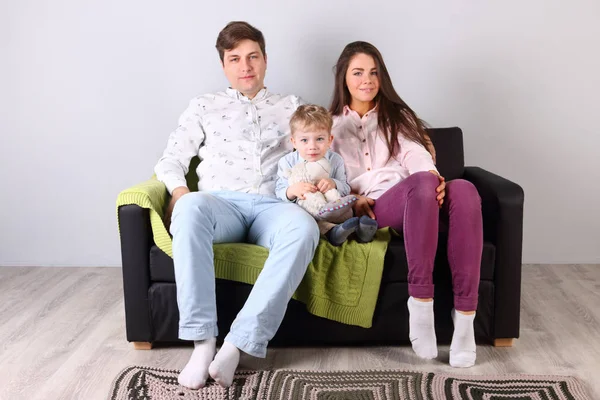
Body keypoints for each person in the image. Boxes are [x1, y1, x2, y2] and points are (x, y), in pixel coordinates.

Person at [154, 21, 320, 389]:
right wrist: (180, 192)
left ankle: (237, 343)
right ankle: (202, 341)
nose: (246, 66)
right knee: (190, 207)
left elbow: (319, 147)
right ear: (224, 65)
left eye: (253, 56)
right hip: (221, 204)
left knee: (304, 227)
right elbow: (171, 159)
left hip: (273, 205)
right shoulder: (204, 106)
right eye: (235, 59)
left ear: (265, 60)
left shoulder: (292, 106)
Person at [329, 41, 483, 368]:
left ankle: (466, 321)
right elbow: (322, 174)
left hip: (418, 194)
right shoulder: (329, 126)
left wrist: (432, 176)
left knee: (466, 189)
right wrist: (349, 201)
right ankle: (421, 301)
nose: (367, 80)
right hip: (376, 207)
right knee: (424, 183)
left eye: (373, 72)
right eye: (358, 72)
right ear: (344, 77)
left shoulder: (396, 116)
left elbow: (414, 152)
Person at [275, 104, 378, 246]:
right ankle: (334, 233)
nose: (312, 146)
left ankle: (362, 231)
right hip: (308, 210)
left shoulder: (335, 160)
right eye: (304, 140)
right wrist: (292, 191)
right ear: (294, 142)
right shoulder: (287, 162)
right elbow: (279, 191)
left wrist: (334, 183)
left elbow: (345, 187)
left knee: (349, 207)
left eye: (319, 139)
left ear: (329, 140)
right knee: (310, 221)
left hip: (333, 206)